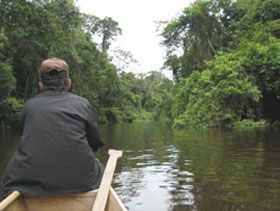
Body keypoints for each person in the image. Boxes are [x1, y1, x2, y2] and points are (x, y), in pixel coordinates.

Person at [0, 58, 104, 201]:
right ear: (68, 83)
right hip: (82, 180)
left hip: (29, 179)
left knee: (7, 179)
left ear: (41, 85)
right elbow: (95, 143)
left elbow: (27, 137)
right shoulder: (82, 104)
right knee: (100, 169)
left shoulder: (29, 106)